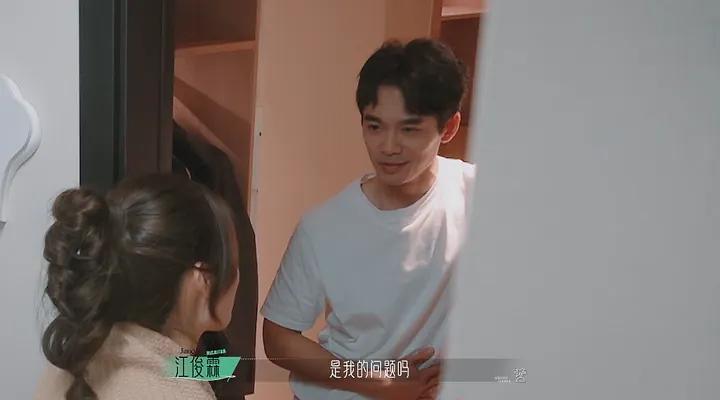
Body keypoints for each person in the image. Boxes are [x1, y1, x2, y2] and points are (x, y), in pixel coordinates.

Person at [261, 38, 476, 400]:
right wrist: (375, 382)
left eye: (409, 129)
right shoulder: (324, 227)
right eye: (374, 127)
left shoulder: (475, 193)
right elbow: (278, 338)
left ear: (449, 127)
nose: (388, 146)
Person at [34, 174, 241, 400]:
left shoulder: (71, 362)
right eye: (233, 263)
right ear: (201, 280)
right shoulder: (176, 394)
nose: (237, 277)